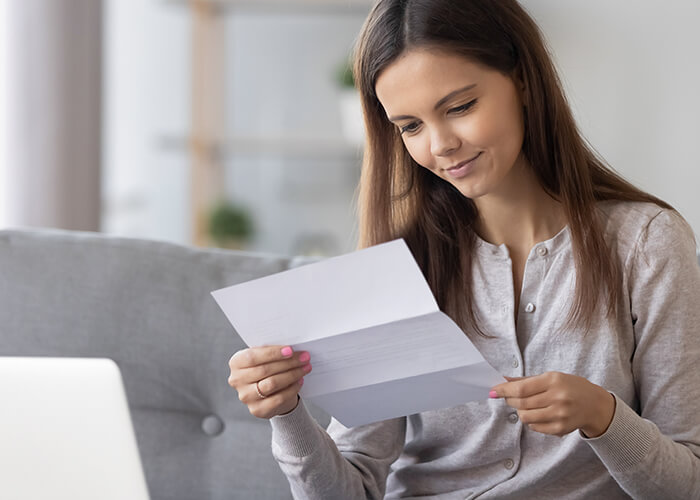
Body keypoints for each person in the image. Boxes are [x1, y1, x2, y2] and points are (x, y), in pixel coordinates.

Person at [227, 0, 700, 498]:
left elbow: (686, 483)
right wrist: (287, 414)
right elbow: (350, 490)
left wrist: (603, 417)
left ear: (522, 79)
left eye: (459, 107)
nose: (440, 145)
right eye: (410, 126)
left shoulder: (646, 243)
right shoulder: (401, 262)